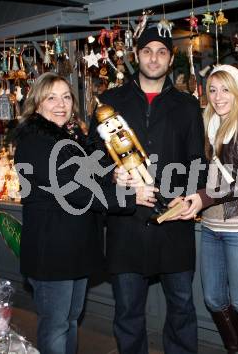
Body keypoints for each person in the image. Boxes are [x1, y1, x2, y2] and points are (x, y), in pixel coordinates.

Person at [13, 72, 152, 354]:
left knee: (71, 319)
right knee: (56, 324)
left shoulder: (68, 136)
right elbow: (72, 190)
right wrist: (131, 195)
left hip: (74, 247)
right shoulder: (34, 141)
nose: (60, 103)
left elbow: (88, 175)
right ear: (36, 103)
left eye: (66, 96)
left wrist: (114, 177)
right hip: (51, 251)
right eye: (51, 97)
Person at [88, 27, 206, 354]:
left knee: (182, 310)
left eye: (162, 52)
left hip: (175, 222)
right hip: (127, 225)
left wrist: (193, 196)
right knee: (128, 313)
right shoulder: (110, 103)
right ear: (136, 55)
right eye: (147, 51)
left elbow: (198, 161)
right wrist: (112, 173)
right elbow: (92, 161)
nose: (154, 57)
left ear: (170, 59)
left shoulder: (186, 105)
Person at [176, 65, 238, 354]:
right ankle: (234, 348)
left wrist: (203, 198)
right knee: (214, 299)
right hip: (212, 226)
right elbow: (201, 170)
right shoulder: (211, 125)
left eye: (225, 89)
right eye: (213, 90)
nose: (218, 97)